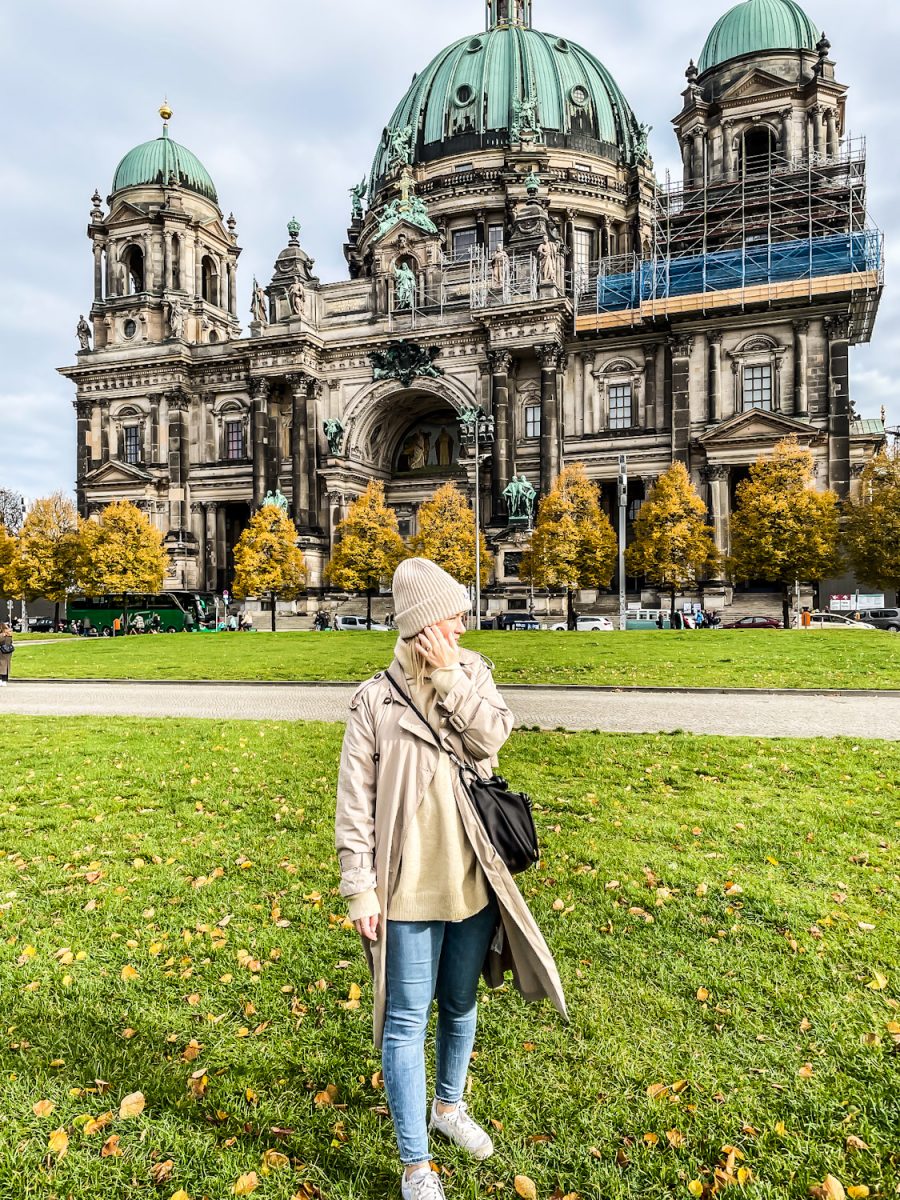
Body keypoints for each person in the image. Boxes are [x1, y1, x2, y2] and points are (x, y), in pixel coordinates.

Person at [336, 558, 567, 1200]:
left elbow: (492, 738)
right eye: (453, 616)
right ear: (422, 624)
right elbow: (354, 805)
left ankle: (448, 1106)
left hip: (473, 877)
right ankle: (416, 1165)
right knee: (406, 1020)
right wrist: (360, 887)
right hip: (405, 887)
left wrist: (448, 678)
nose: (464, 625)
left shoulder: (472, 675)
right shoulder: (374, 700)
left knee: (461, 1003)